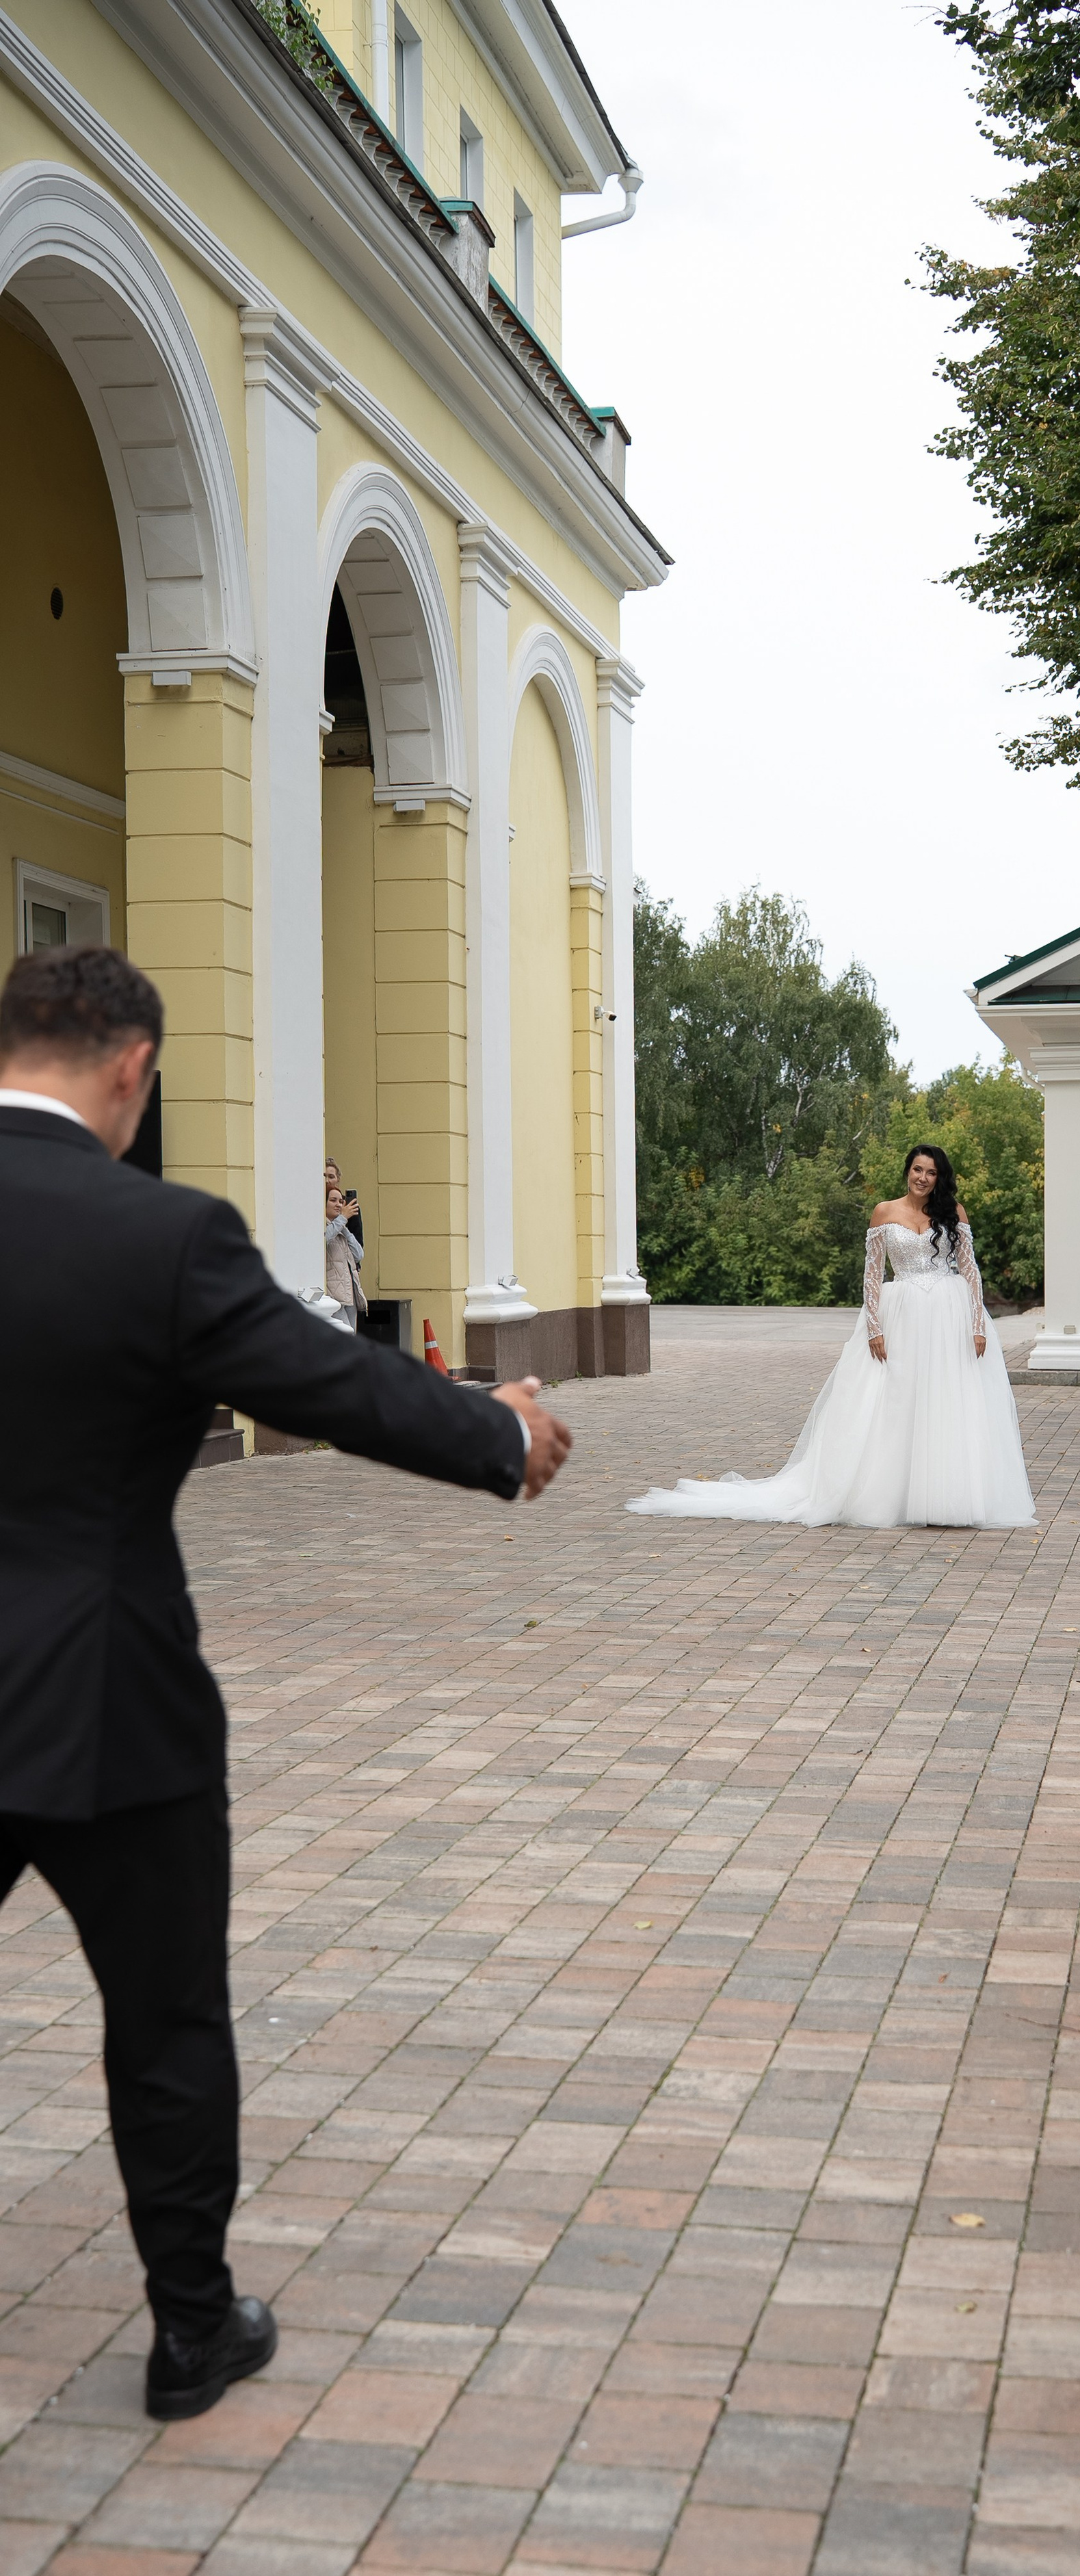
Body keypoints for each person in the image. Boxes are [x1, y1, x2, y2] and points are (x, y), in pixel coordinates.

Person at [0, 946, 572, 2421]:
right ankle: (194, 2333)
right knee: (166, 2023)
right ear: (133, 1068)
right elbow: (325, 1380)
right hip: (111, 1702)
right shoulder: (161, 1233)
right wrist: (497, 1431)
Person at [627, 1143, 1034, 1528]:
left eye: (931, 1173)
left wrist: (978, 1325)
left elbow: (971, 1270)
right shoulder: (884, 1212)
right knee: (897, 1400)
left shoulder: (953, 1212)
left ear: (940, 1178)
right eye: (917, 1169)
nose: (923, 1178)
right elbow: (872, 1275)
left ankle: (949, 1498)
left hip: (950, 1315)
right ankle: (893, 1496)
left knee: (947, 1402)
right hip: (902, 1315)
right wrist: (874, 1328)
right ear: (907, 1171)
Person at [324, 1170, 367, 1329]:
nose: (339, 1205)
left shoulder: (341, 1228)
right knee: (345, 1334)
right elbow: (323, 1240)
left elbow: (359, 1255)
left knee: (351, 1335)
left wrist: (345, 1228)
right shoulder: (324, 1225)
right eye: (333, 1200)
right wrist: (341, 1219)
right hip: (334, 1296)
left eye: (341, 1201)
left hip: (350, 1295)